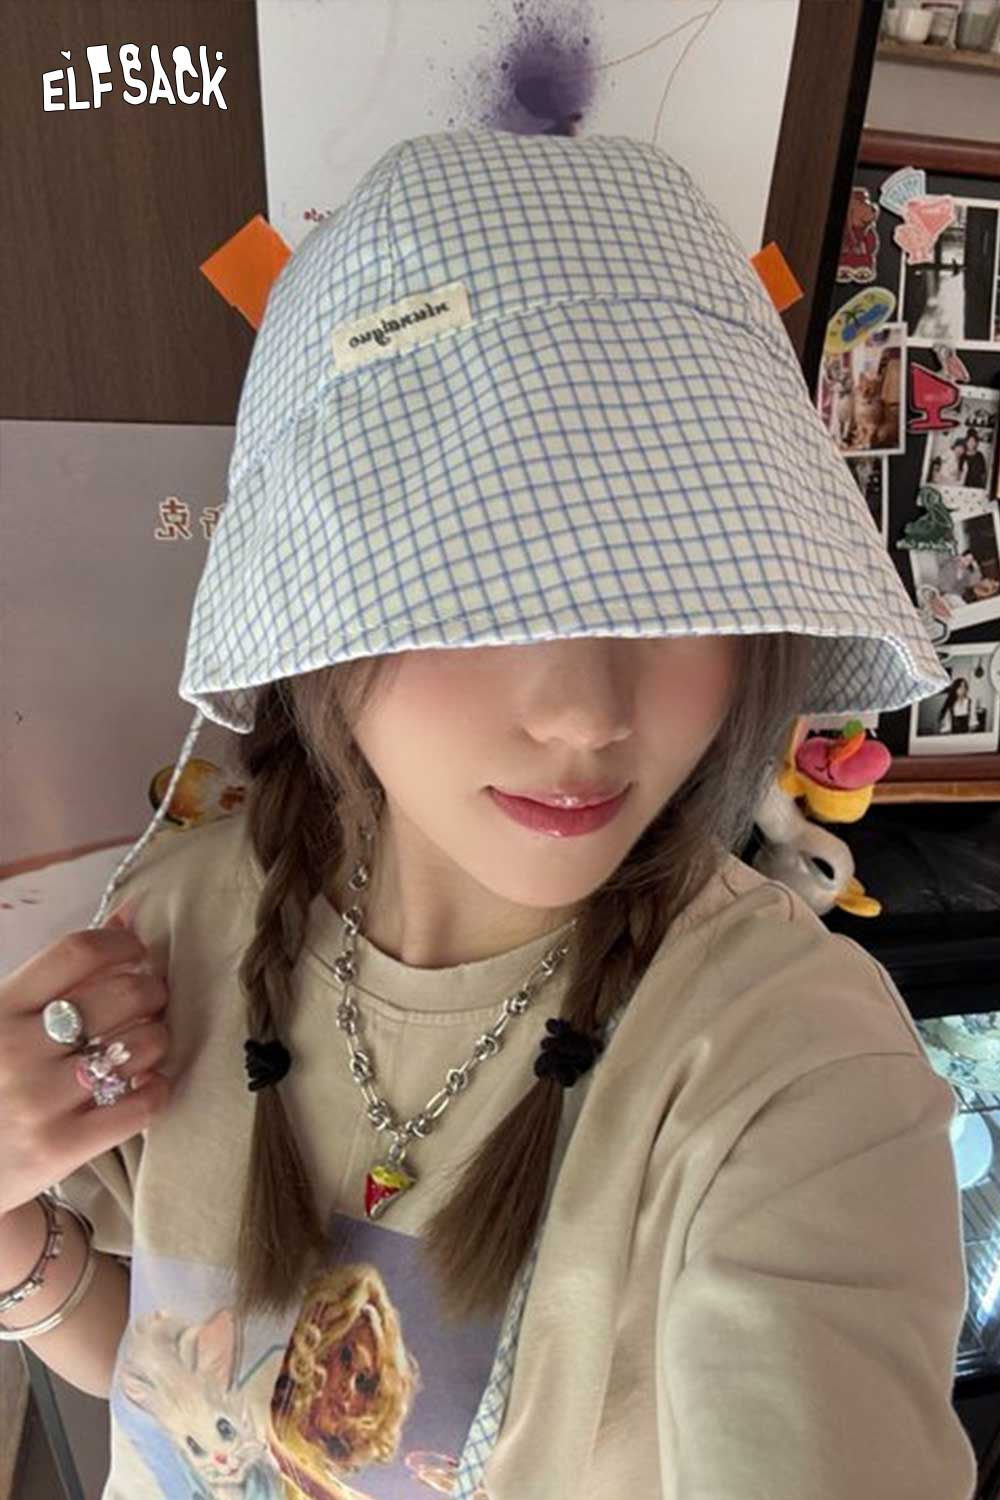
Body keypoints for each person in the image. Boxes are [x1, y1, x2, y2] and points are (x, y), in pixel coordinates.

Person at [0, 129, 977, 1500]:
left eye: (679, 585)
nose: (585, 713)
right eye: (475, 593)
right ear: (324, 606)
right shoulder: (180, 924)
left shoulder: (791, 1068)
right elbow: (186, 1391)